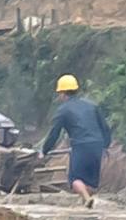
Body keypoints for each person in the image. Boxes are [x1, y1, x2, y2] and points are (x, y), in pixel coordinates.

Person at [47, 74, 111, 204]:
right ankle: (87, 203)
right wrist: (105, 145)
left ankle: (87, 199)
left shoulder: (63, 110)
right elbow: (105, 127)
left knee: (75, 180)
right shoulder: (92, 106)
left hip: (81, 145)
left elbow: (54, 133)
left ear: (63, 94)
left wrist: (45, 150)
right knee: (91, 182)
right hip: (97, 145)